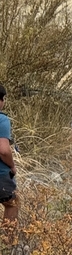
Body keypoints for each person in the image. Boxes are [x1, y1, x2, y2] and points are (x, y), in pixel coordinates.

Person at [0, 83, 17, 230]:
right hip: (0, 173)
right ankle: (8, 245)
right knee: (12, 203)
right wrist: (12, 166)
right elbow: (3, 150)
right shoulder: (2, 120)